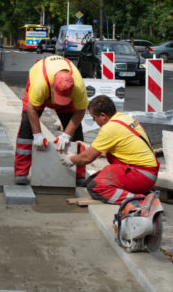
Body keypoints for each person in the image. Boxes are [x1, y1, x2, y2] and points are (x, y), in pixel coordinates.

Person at [60, 95, 159, 204]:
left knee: (96, 187)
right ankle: (143, 194)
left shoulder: (109, 128)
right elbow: (120, 145)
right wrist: (91, 149)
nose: (94, 121)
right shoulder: (123, 117)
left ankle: (141, 202)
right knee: (91, 181)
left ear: (103, 116)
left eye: (94, 117)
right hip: (144, 171)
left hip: (141, 175)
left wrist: (71, 159)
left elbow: (87, 158)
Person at [13, 55, 88, 185]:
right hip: (40, 88)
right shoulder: (40, 83)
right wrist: (37, 134)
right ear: (53, 87)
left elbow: (81, 110)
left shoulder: (78, 86)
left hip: (63, 93)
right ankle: (21, 172)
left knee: (76, 134)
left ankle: (79, 174)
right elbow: (31, 108)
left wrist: (67, 134)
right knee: (26, 127)